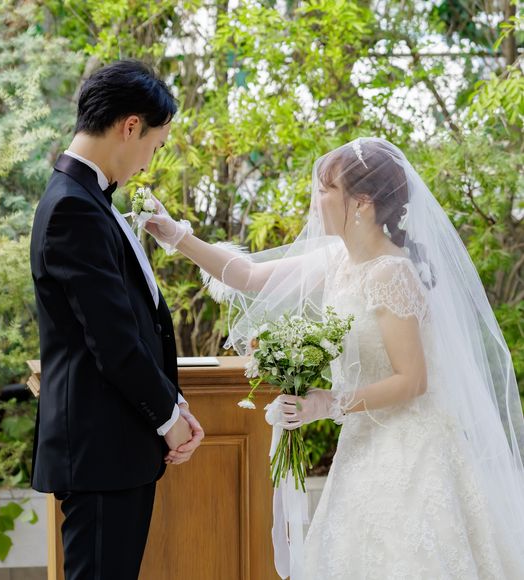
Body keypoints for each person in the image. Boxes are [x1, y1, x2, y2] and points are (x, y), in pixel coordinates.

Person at [145, 137, 524, 578]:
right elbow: (246, 275)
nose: (316, 198)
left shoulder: (391, 273)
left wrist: (327, 403)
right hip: (363, 439)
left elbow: (413, 380)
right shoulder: (338, 259)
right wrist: (176, 236)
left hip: (412, 446)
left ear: (361, 203)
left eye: (327, 189)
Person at [29, 59, 204, 580]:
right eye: (156, 145)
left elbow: (130, 324)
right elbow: (114, 341)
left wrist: (172, 403)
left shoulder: (86, 199)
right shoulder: (74, 208)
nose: (149, 162)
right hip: (100, 449)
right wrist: (170, 420)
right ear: (131, 126)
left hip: (113, 447)